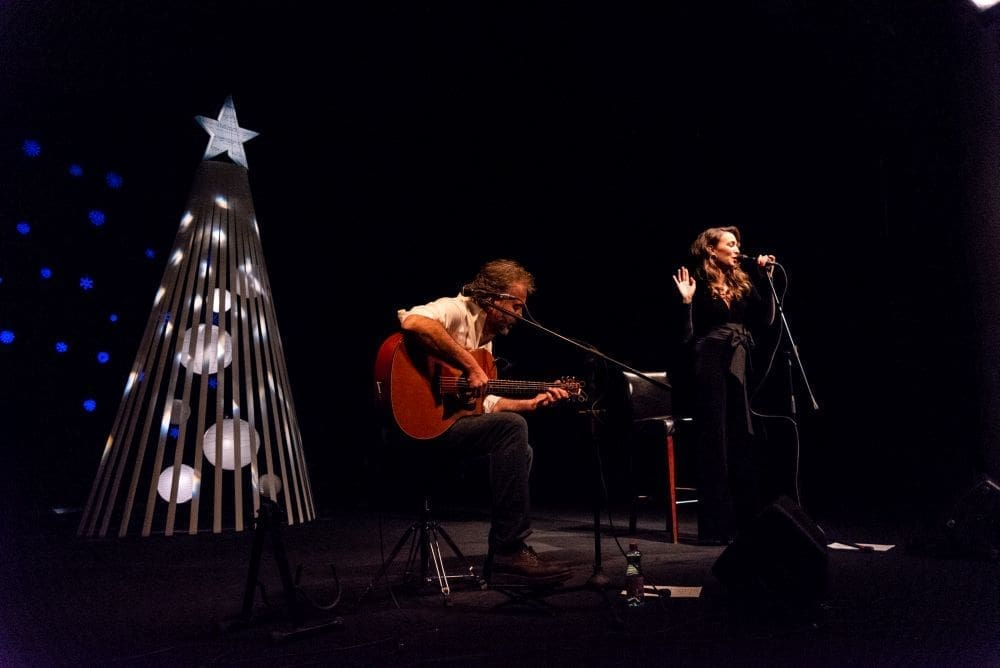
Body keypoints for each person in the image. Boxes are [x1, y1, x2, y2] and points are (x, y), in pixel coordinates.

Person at [395, 258, 574, 584]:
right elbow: (413, 322)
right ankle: (509, 550)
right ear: (491, 299)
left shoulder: (485, 339)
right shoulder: (455, 309)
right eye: (515, 306)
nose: (519, 315)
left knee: (522, 449)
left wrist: (529, 403)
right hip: (420, 425)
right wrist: (471, 366)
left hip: (449, 424)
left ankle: (502, 555)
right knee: (512, 428)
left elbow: (484, 404)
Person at [672, 226, 777, 545]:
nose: (737, 249)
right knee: (715, 442)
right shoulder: (698, 282)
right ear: (711, 249)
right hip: (710, 362)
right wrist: (685, 303)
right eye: (730, 244)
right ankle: (715, 528)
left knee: (742, 438)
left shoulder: (742, 281)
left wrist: (767, 279)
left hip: (740, 360)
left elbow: (767, 321)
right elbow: (685, 338)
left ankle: (747, 524)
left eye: (737, 244)